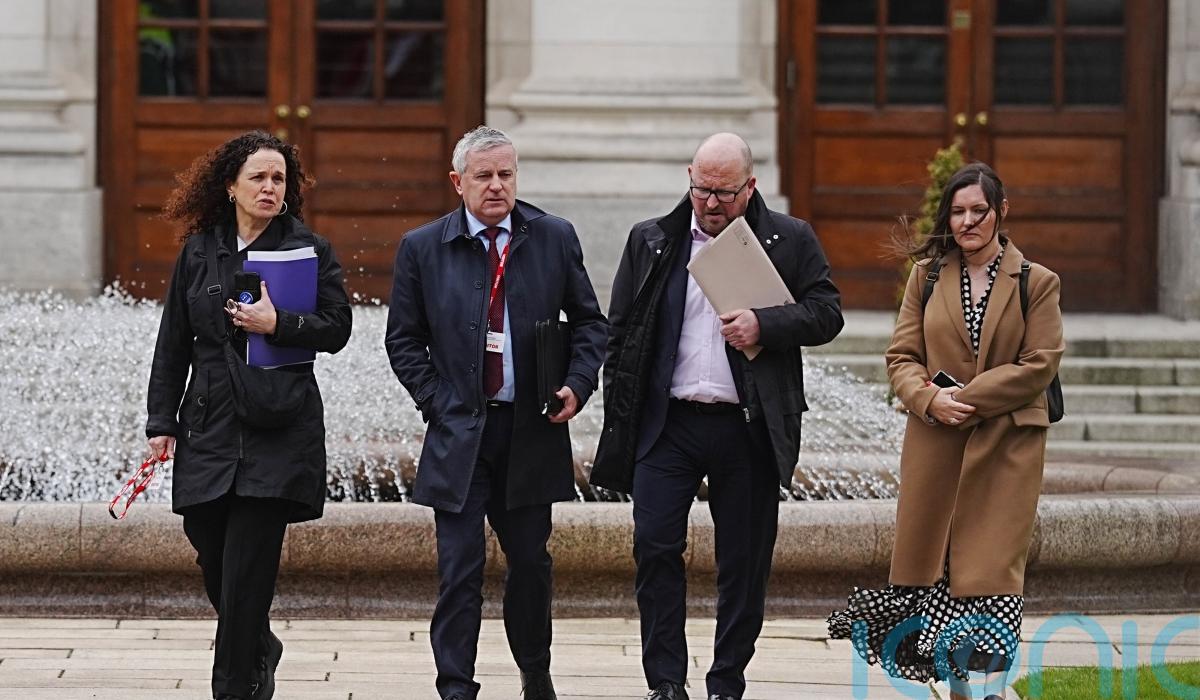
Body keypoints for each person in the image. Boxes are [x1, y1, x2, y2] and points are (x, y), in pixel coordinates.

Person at [590, 132, 844, 700]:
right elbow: (620, 332)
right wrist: (619, 413)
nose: (710, 203)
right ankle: (665, 682)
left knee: (744, 563)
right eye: (702, 189)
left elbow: (827, 313)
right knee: (655, 546)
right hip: (669, 424)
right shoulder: (652, 238)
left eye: (725, 193)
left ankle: (726, 680)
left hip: (746, 426)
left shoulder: (789, 238)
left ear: (750, 187)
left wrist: (765, 324)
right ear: (689, 177)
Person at [384, 125, 608, 700]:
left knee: (530, 563)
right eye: (483, 176)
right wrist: (437, 401)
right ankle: (456, 686)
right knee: (459, 569)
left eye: (506, 174)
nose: (496, 186)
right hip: (460, 432)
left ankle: (535, 673)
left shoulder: (553, 236)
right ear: (457, 182)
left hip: (530, 430)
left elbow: (591, 324)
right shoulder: (422, 247)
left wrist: (578, 384)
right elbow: (403, 341)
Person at [827, 163, 1064, 700]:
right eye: (957, 212)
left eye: (978, 210)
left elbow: (1040, 363)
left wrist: (966, 399)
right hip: (936, 442)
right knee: (939, 569)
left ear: (1001, 212)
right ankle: (958, 689)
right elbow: (901, 357)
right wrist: (929, 398)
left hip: (1007, 447)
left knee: (995, 571)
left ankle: (995, 689)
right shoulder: (926, 277)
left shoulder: (1038, 281)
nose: (967, 221)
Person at [145, 130, 352, 700]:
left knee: (247, 567)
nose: (269, 186)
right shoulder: (198, 251)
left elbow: (338, 328)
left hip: (280, 423)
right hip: (209, 421)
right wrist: (161, 422)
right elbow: (173, 342)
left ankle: (235, 686)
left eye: (278, 178)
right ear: (230, 186)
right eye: (257, 177)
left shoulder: (309, 250)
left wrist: (278, 323)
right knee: (210, 545)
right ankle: (260, 643)